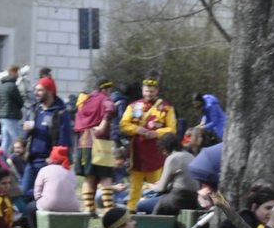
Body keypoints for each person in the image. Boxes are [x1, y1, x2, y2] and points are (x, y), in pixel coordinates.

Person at [120, 77, 178, 205]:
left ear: (157, 91)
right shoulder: (133, 106)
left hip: (156, 151)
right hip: (137, 153)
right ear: (142, 90)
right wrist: (136, 129)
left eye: (151, 91)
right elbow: (123, 124)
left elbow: (172, 129)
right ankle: (132, 209)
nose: (148, 94)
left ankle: (154, 208)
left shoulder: (166, 108)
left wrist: (156, 133)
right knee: (135, 186)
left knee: (156, 185)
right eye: (146, 91)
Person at [20, 76, 72, 197]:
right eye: (36, 90)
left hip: (48, 162)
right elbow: (26, 134)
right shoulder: (36, 109)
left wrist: (55, 157)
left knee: (44, 194)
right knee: (24, 193)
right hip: (32, 160)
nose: (36, 93)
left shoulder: (60, 113)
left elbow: (64, 140)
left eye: (40, 90)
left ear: (50, 91)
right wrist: (26, 131)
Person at [74, 80, 118, 214]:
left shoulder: (85, 100)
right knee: (106, 177)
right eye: (109, 90)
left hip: (83, 143)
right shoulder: (103, 98)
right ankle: (110, 210)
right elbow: (110, 108)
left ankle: (89, 209)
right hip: (100, 143)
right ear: (105, 89)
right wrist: (104, 123)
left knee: (89, 177)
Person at [136, 132, 198, 215]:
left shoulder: (172, 158)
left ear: (166, 147)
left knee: (140, 205)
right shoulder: (190, 156)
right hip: (193, 199)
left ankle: (152, 227)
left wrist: (150, 186)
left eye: (163, 150)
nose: (163, 153)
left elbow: (161, 188)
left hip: (177, 199)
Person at [31, 145, 80, 214]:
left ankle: (36, 225)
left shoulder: (44, 170)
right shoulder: (71, 171)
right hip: (72, 206)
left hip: (48, 204)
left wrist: (39, 199)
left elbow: (37, 191)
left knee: (30, 208)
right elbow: (74, 188)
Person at [0, 65, 26, 156]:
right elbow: (20, 102)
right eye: (17, 72)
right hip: (11, 116)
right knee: (16, 139)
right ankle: (17, 159)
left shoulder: (1, 86)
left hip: (3, 116)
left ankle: (2, 160)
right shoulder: (12, 86)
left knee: (5, 141)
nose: (18, 75)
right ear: (13, 72)